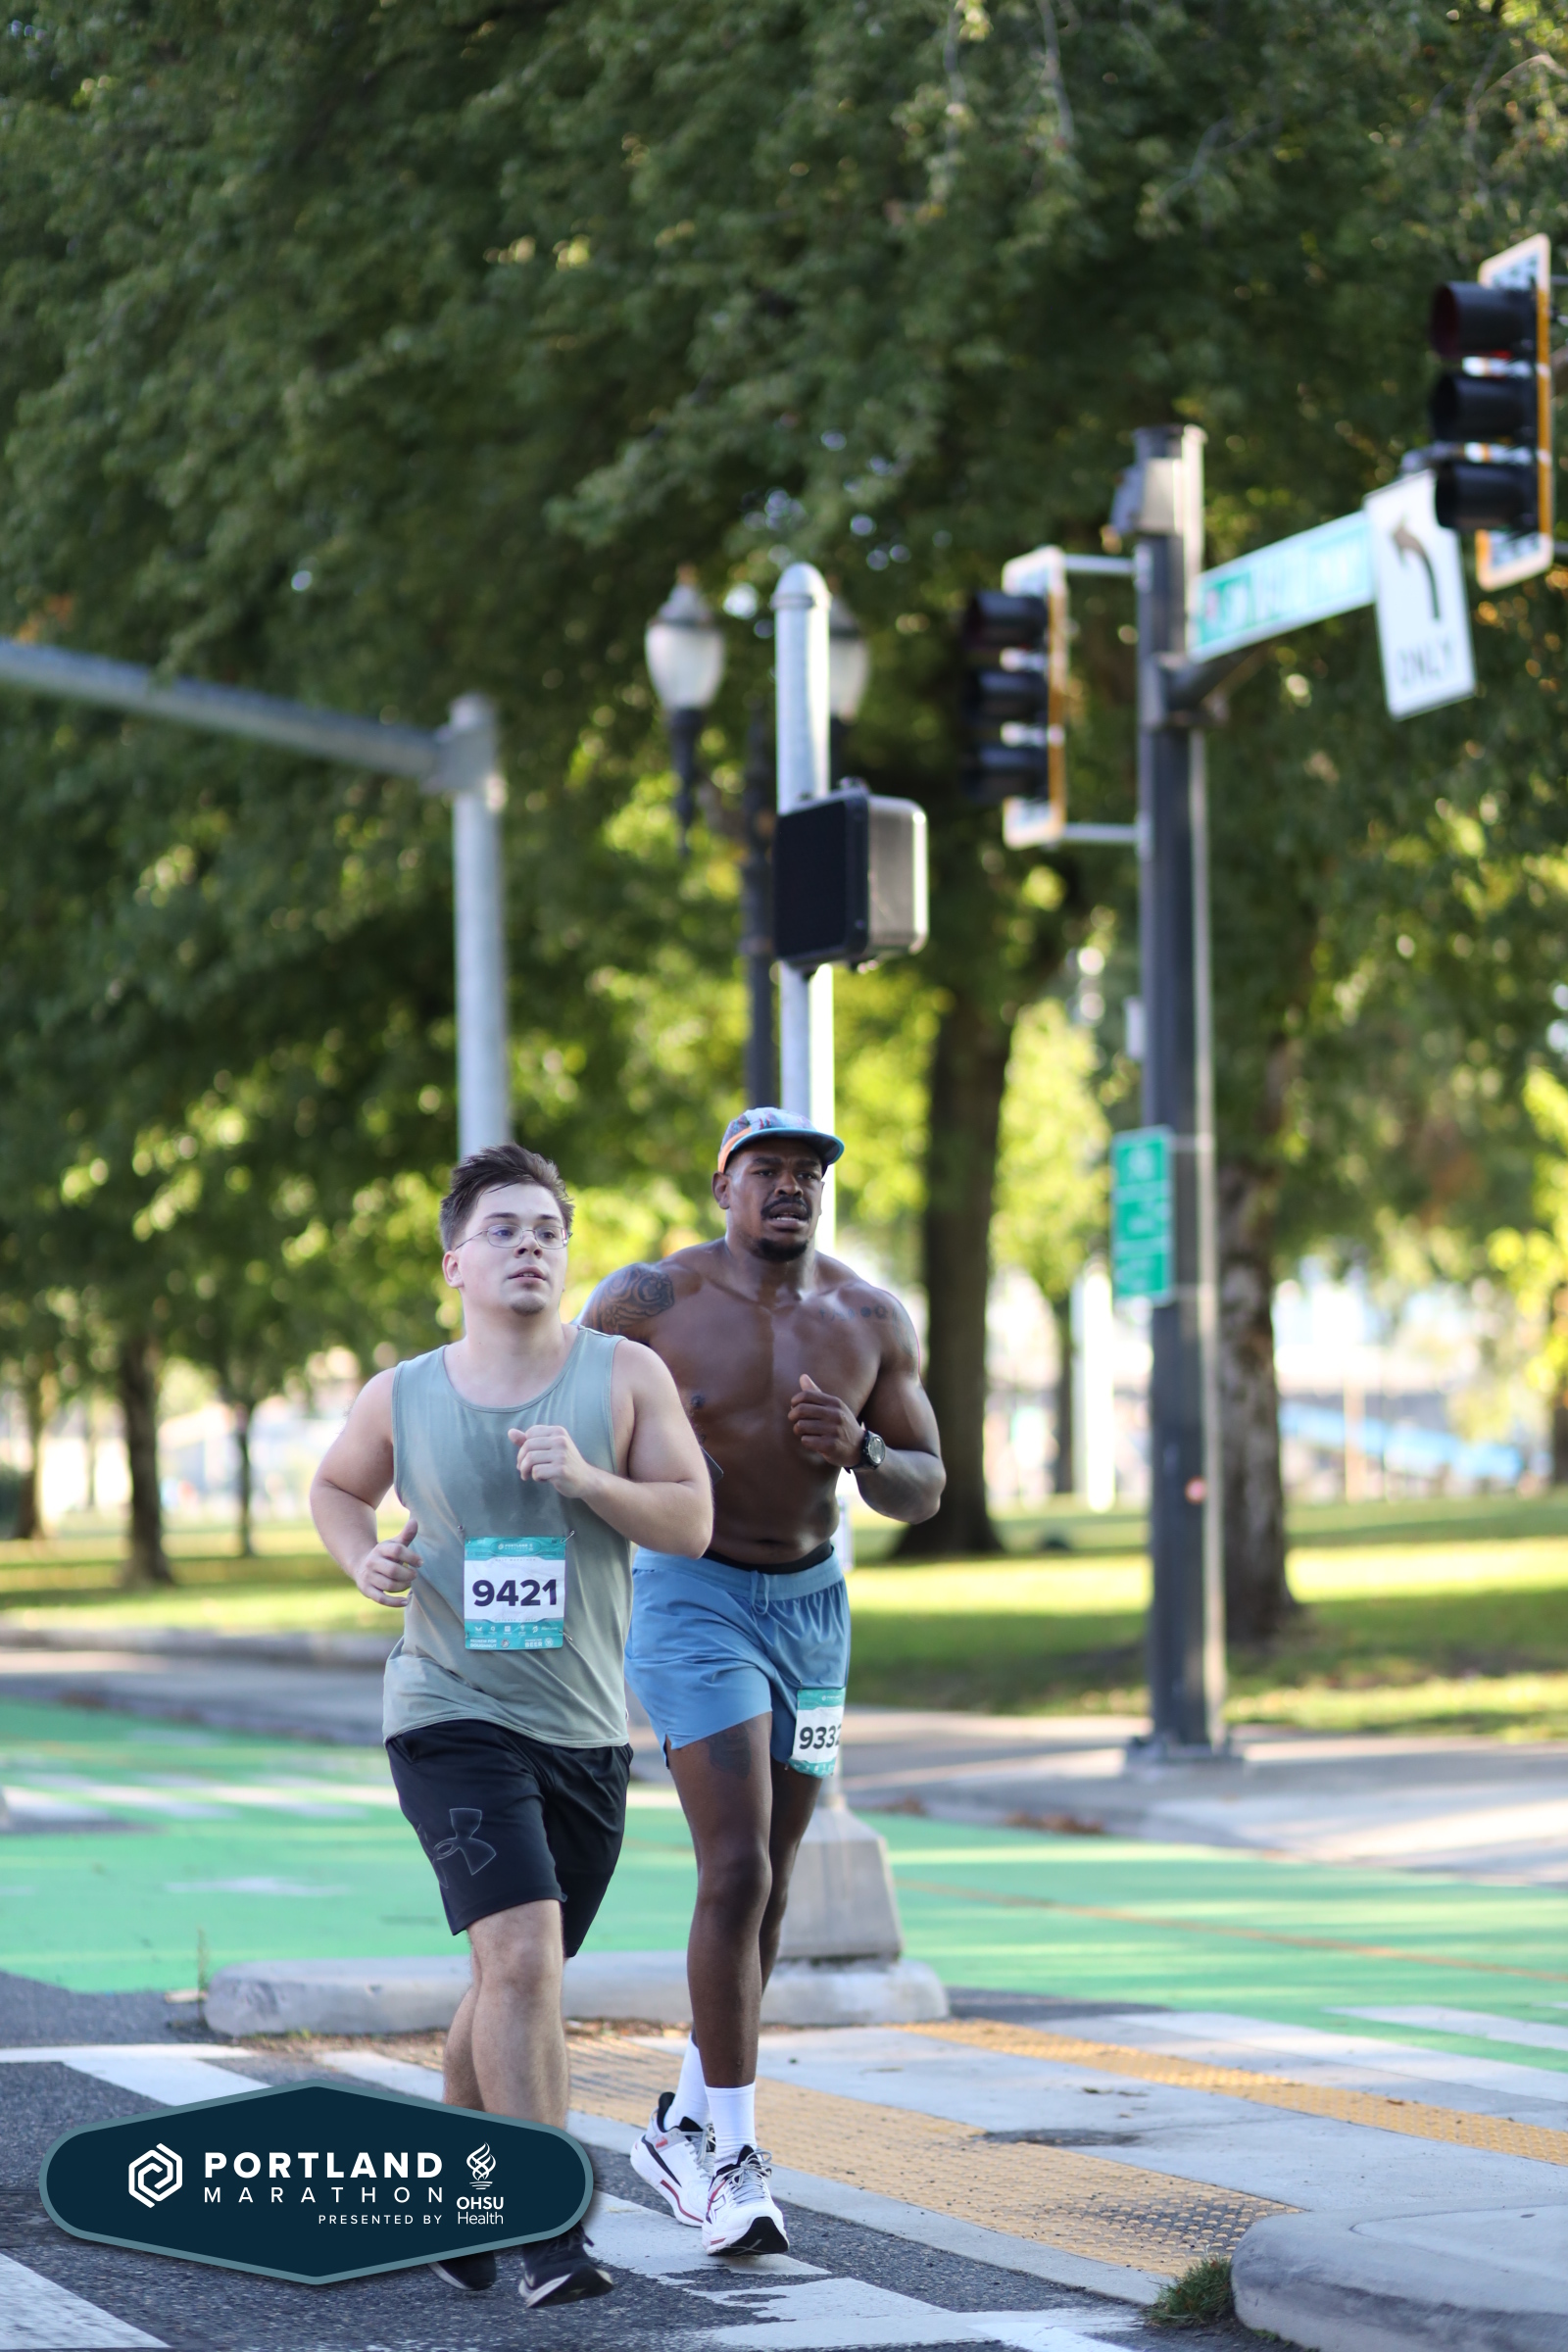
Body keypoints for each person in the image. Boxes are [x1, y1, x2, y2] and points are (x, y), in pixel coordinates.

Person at [311, 1142, 711, 2307]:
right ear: (455, 1264)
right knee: (523, 1955)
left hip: (583, 1728)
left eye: (547, 1231)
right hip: (446, 1707)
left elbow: (690, 1520)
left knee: (509, 1973)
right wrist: (363, 1560)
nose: (529, 1246)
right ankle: (548, 2226)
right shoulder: (402, 1394)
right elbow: (336, 1488)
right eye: (503, 1230)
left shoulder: (624, 1376)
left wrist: (589, 1481)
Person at [583, 1106, 944, 2256]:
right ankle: (734, 2157)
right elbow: (556, 1415)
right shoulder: (649, 1301)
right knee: (733, 1865)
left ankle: (684, 2122)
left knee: (774, 1883)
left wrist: (863, 1450)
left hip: (813, 1616)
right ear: (722, 1185)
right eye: (768, 1170)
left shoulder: (868, 1317)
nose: (791, 1188)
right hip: (691, 1597)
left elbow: (925, 1485)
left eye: (808, 1174)